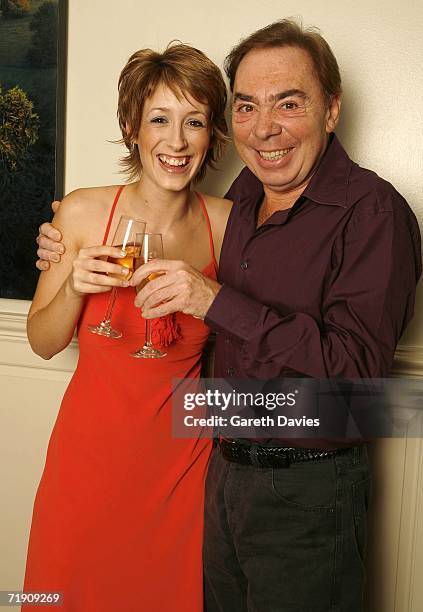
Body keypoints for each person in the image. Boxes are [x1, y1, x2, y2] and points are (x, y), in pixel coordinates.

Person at [36, 20, 422, 612]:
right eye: (247, 106)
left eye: (289, 103)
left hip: (270, 479)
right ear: (132, 130)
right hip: (205, 471)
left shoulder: (350, 213)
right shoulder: (245, 200)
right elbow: (55, 339)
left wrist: (212, 303)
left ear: (331, 110)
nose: (265, 127)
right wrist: (65, 265)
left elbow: (360, 383)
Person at [25, 43, 231, 612]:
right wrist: (73, 287)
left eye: (194, 122)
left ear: (212, 134)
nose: (177, 140)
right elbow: (42, 344)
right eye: (159, 120)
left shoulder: (230, 224)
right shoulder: (82, 213)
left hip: (181, 472)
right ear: (130, 129)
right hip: (87, 466)